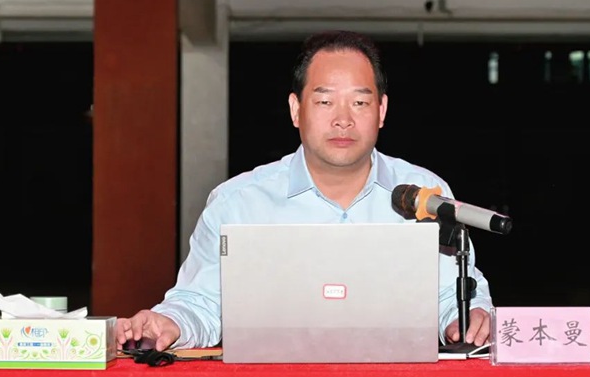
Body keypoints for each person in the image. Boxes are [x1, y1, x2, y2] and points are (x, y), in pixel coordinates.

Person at [116, 30, 493, 351]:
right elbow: (200, 302)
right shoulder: (239, 203)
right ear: (296, 109)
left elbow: (454, 294)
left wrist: (469, 318)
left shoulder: (425, 194)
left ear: (381, 110)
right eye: (325, 101)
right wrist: (170, 323)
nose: (343, 119)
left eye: (360, 102)